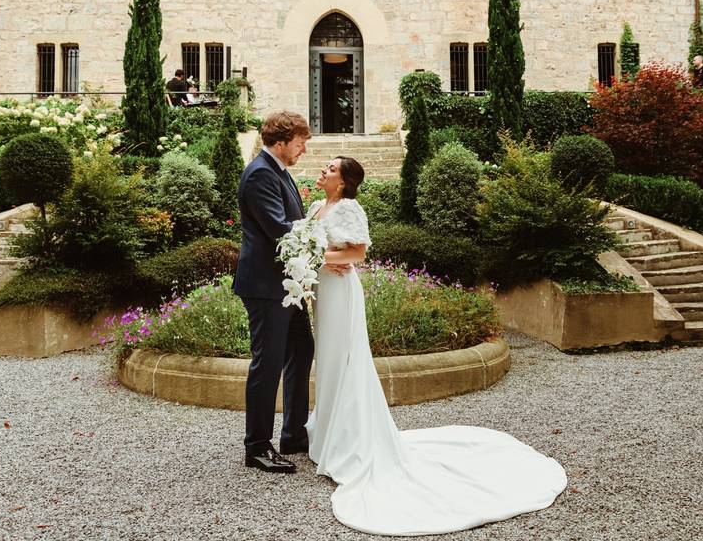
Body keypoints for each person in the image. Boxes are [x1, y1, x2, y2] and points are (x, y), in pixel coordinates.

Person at [303, 156, 568, 536]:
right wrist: (310, 259)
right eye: (326, 166)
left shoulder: (349, 208)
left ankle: (349, 442)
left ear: (344, 182)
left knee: (345, 359)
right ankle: (327, 435)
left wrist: (317, 257)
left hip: (341, 292)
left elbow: (358, 253)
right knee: (327, 361)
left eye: (331, 168)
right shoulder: (316, 207)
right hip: (324, 292)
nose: (324, 171)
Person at [234, 111, 317, 474]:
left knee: (302, 348)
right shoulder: (260, 175)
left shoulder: (279, 172)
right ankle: (256, 447)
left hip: (288, 287)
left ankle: (294, 434)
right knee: (267, 364)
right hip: (267, 286)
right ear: (281, 142)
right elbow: (282, 231)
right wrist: (323, 243)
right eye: (299, 143)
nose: (302, 150)